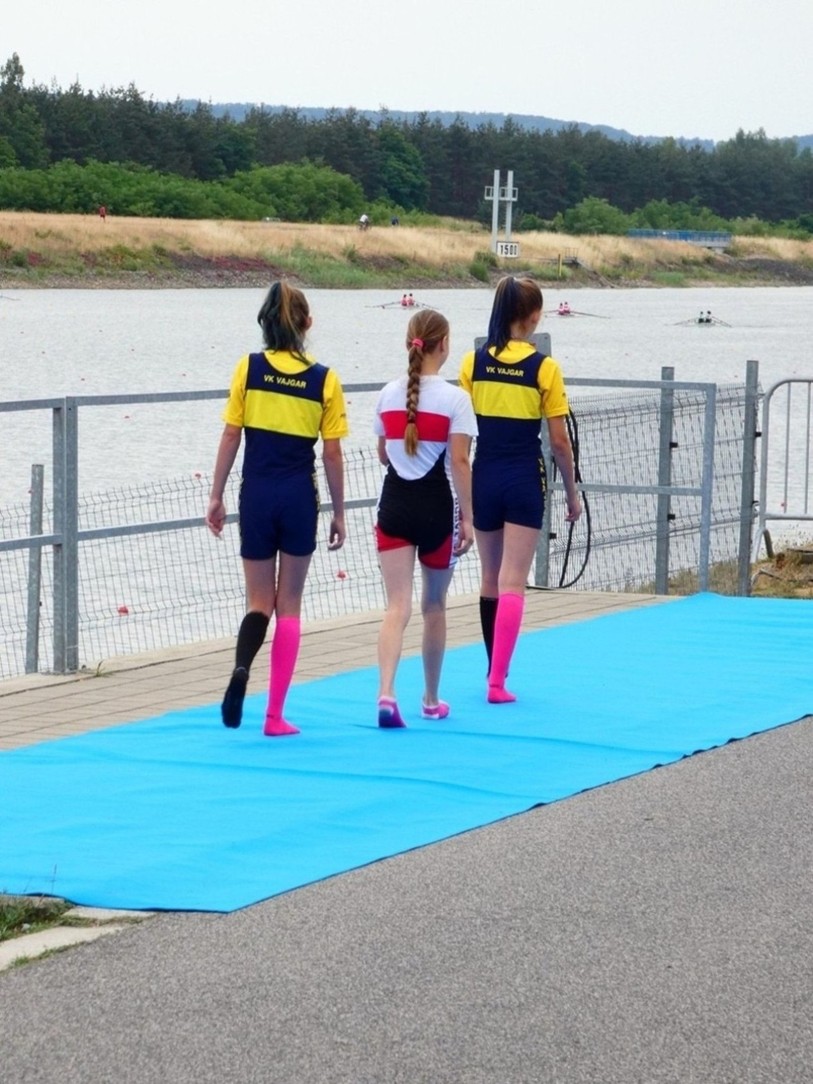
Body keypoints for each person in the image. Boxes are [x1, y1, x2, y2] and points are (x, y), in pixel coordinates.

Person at [206, 281, 348, 736]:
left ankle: (241, 668)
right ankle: (274, 715)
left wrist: (216, 494)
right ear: (308, 324)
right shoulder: (324, 379)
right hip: (298, 497)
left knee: (258, 602)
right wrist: (339, 511)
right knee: (289, 606)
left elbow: (231, 435)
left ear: (265, 325)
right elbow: (332, 454)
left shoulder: (248, 369)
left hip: (257, 494)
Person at [459, 275, 581, 704]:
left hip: (485, 474)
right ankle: (498, 681)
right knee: (514, 581)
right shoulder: (544, 368)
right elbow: (560, 442)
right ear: (532, 317)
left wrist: (462, 498)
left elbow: (462, 436)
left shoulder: (472, 364)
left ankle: (491, 668)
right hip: (524, 476)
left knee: (490, 578)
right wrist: (571, 492)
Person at [374, 309, 476, 728]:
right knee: (434, 606)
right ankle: (431, 700)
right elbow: (460, 462)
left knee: (396, 606)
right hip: (437, 508)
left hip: (394, 505)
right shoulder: (456, 400)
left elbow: (384, 455)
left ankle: (386, 692)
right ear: (444, 345)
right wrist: (468, 517)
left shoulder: (387, 394)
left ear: (409, 343)